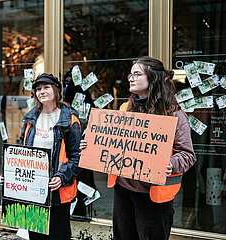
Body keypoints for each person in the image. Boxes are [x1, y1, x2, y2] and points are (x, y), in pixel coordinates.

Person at [80, 56, 196, 240]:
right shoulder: (125, 108)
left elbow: (188, 155)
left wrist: (171, 164)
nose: (131, 78)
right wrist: (90, 145)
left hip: (153, 196)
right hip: (123, 191)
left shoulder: (173, 113)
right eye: (130, 74)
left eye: (137, 74)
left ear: (153, 78)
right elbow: (111, 142)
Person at [0, 73, 82, 240]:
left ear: (56, 90)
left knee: (59, 236)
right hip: (33, 191)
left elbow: (77, 157)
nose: (42, 91)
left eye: (46, 87)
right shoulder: (31, 118)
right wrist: (10, 176)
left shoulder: (70, 120)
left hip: (57, 191)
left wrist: (61, 176)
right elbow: (23, 153)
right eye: (38, 89)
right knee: (36, 236)